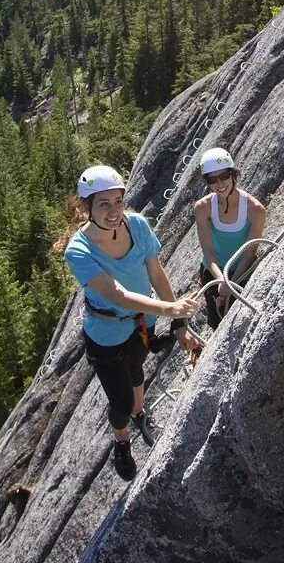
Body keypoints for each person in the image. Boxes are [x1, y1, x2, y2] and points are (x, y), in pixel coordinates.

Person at [57, 165, 201, 480]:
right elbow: (117, 294)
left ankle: (140, 413)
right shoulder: (78, 251)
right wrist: (171, 309)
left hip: (142, 321)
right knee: (119, 403)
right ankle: (122, 442)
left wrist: (179, 325)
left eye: (117, 202)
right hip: (106, 334)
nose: (113, 211)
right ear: (87, 208)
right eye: (103, 204)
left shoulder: (135, 225)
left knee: (137, 368)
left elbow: (157, 273)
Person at [191, 147, 267, 324]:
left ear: (232, 174)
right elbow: (207, 251)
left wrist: (230, 283)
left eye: (224, 176)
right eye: (212, 179)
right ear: (207, 182)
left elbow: (250, 253)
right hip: (213, 271)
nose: (220, 184)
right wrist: (221, 280)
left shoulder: (255, 209)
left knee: (241, 322)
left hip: (243, 272)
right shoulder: (202, 207)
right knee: (216, 322)